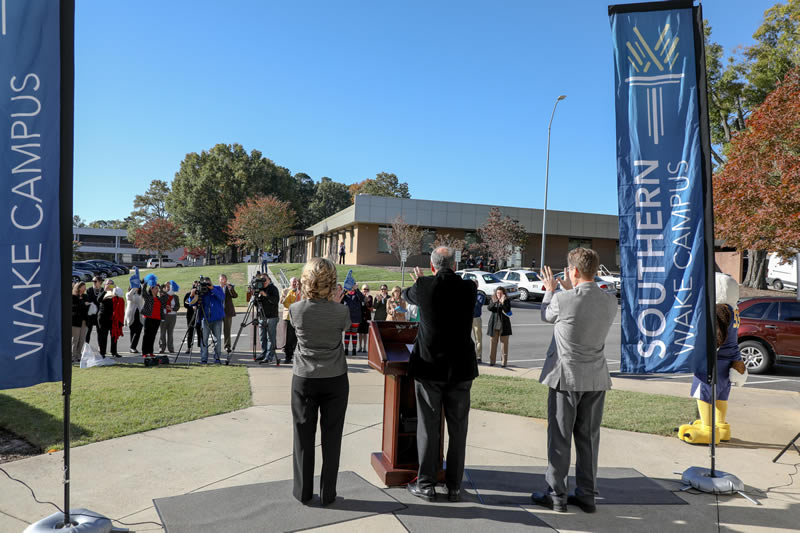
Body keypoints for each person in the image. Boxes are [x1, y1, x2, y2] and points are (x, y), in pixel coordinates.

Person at [530, 248, 617, 514]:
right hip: (596, 378)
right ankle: (587, 495)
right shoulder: (610, 300)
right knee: (589, 439)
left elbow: (547, 314)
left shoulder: (563, 299)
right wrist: (566, 290)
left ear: (574, 271)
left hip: (565, 378)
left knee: (559, 438)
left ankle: (557, 495)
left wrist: (551, 289)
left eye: (568, 270)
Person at [403, 247, 478, 503]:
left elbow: (406, 296)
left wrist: (419, 282)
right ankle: (454, 486)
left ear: (432, 266)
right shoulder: (469, 288)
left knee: (429, 427)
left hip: (429, 368)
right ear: (454, 266)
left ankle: (426, 484)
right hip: (461, 369)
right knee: (459, 430)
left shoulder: (423, 285)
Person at [288, 257, 350, 506]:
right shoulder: (342, 311)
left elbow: (298, 323)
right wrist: (334, 302)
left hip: (304, 377)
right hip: (335, 377)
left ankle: (303, 491)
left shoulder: (296, 309)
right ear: (332, 283)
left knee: (303, 436)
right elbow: (343, 325)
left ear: (306, 281)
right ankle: (328, 493)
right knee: (332, 437)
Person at [196, 277, 226, 364]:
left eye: (208, 283)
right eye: (205, 284)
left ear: (211, 282)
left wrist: (212, 288)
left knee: (217, 340)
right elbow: (193, 303)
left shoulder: (217, 288)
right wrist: (193, 295)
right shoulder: (202, 291)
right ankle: (204, 358)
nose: (207, 286)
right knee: (204, 339)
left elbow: (222, 297)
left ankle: (217, 358)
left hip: (217, 319)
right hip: (205, 319)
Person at [255, 274, 280, 364]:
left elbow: (275, 301)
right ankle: (264, 353)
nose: (264, 281)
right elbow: (256, 304)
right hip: (262, 316)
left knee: (270, 337)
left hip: (271, 316)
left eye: (265, 279)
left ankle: (269, 356)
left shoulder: (273, 288)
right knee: (262, 337)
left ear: (269, 279)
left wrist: (265, 295)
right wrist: (255, 295)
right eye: (262, 280)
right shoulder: (260, 289)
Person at [486, 287, 512, 367]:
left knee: (504, 345)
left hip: (504, 327)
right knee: (493, 345)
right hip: (494, 326)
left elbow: (508, 310)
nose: (499, 295)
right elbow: (489, 308)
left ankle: (504, 363)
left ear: (504, 294)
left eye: (500, 293)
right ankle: (492, 361)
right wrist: (495, 302)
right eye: (497, 293)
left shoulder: (507, 301)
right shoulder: (493, 299)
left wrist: (503, 303)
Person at [141, 283, 166, 358]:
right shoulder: (148, 297)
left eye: (157, 288)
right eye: (156, 288)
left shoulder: (159, 299)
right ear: (151, 289)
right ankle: (144, 352)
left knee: (153, 336)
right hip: (148, 318)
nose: (157, 290)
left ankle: (150, 351)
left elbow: (165, 297)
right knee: (146, 336)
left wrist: (160, 288)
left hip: (157, 319)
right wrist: (146, 283)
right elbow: (143, 292)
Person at [280, 277, 301, 364]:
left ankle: (296, 355)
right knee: (288, 337)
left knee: (297, 338)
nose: (295, 284)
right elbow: (284, 302)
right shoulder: (287, 291)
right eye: (294, 282)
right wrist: (294, 306)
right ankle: (288, 356)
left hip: (299, 317)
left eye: (297, 282)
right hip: (288, 316)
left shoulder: (302, 292)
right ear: (290, 283)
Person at [97, 280, 117, 357]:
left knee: (114, 335)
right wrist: (105, 290)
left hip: (113, 317)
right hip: (103, 316)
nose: (109, 285)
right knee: (103, 335)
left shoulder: (115, 292)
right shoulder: (102, 291)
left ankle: (114, 352)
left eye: (111, 284)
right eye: (108, 284)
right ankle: (102, 352)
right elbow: (99, 299)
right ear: (105, 284)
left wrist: (115, 289)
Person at [341, 285, 363, 355]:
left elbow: (362, 298)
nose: (351, 288)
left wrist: (357, 289)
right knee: (347, 334)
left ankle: (354, 349)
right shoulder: (345, 296)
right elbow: (339, 298)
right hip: (347, 318)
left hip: (355, 318)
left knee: (354, 334)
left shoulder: (357, 295)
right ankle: (346, 349)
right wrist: (345, 289)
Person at [158, 283, 180, 354]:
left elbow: (177, 307)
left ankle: (171, 348)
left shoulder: (175, 297)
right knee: (162, 332)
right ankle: (162, 348)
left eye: (169, 287)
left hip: (172, 316)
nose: (168, 289)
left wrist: (172, 308)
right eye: (167, 287)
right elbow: (160, 304)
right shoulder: (163, 296)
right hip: (164, 315)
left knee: (170, 333)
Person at [71, 282, 90, 363]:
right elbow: (73, 308)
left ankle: (79, 355)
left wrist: (88, 305)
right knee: (75, 339)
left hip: (84, 321)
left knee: (82, 339)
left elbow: (87, 307)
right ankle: (73, 356)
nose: (85, 289)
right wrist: (83, 304)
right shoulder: (73, 297)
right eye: (83, 287)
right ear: (78, 288)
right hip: (76, 321)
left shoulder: (86, 296)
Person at [219, 274, 238, 355]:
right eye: (221, 279)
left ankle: (227, 346)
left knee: (227, 330)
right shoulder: (216, 288)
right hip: (218, 312)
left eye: (224, 279)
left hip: (227, 312)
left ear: (226, 280)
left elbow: (235, 296)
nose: (223, 281)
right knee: (217, 330)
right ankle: (216, 346)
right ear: (219, 280)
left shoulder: (229, 287)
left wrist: (231, 289)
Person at [183, 282, 204, 354]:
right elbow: (185, 305)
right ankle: (189, 347)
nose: (196, 287)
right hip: (190, 316)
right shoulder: (188, 294)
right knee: (190, 332)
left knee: (200, 332)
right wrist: (192, 306)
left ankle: (201, 347)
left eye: (197, 285)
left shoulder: (201, 295)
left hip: (199, 316)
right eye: (195, 285)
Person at [125, 285, 144, 354]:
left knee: (138, 331)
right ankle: (133, 347)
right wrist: (134, 289)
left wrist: (142, 285)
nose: (137, 288)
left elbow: (143, 292)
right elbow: (129, 296)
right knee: (132, 332)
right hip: (131, 315)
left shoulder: (141, 294)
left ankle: (132, 347)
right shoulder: (128, 294)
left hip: (140, 315)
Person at [85, 276, 103, 343]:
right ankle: (86, 347)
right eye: (93, 281)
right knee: (88, 331)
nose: (93, 283)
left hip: (99, 314)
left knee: (100, 332)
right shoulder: (89, 290)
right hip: (91, 314)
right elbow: (89, 301)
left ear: (100, 282)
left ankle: (100, 347)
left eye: (95, 281)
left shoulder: (103, 290)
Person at [471, 279, 485, 362]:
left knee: (478, 338)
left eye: (475, 284)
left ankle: (478, 356)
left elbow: (478, 304)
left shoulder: (480, 294)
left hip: (476, 318)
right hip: (467, 318)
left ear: (477, 285)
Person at [357, 284, 373, 352]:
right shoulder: (359, 297)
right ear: (362, 290)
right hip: (360, 316)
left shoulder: (370, 297)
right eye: (364, 289)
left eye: (367, 289)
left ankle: (364, 347)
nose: (365, 290)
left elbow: (370, 307)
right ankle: (360, 346)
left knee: (365, 333)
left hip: (367, 317)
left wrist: (367, 301)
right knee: (360, 333)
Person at [110, 287, 125, 357]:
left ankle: (114, 351)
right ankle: (113, 351)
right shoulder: (113, 299)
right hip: (113, 320)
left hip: (117, 320)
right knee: (113, 336)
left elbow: (122, 312)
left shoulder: (121, 300)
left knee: (115, 337)